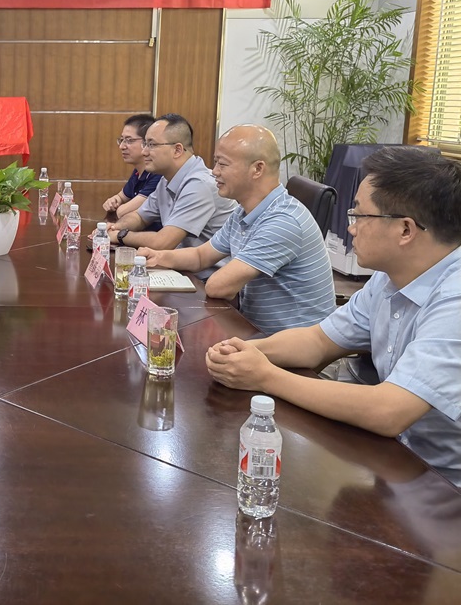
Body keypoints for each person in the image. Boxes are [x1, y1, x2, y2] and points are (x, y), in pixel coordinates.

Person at [206, 147, 461, 486]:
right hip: (396, 462)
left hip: (443, 486)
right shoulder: (388, 278)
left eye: (360, 215)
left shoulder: (454, 298)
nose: (351, 228)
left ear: (405, 230)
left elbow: (390, 411)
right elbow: (318, 341)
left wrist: (265, 377)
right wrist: (244, 351)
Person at [139, 125, 335, 334]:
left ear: (257, 169)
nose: (214, 172)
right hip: (255, 329)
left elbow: (218, 287)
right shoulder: (244, 211)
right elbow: (200, 256)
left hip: (291, 343)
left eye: (222, 164)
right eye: (215, 162)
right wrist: (159, 256)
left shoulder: (283, 221)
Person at [109, 113, 235, 255]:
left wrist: (121, 235)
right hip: (180, 263)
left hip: (208, 269)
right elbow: (140, 217)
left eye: (151, 145)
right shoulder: (166, 179)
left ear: (177, 150)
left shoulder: (200, 184)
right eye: (145, 144)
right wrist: (114, 228)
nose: (144, 152)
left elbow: (163, 242)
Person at [102, 113, 162, 230]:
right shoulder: (137, 172)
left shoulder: (158, 174)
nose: (122, 146)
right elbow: (121, 197)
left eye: (129, 141)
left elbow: (122, 212)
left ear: (147, 142)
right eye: (121, 140)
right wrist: (113, 201)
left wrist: (117, 208)